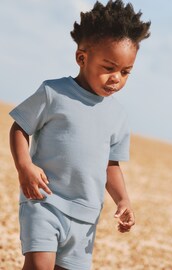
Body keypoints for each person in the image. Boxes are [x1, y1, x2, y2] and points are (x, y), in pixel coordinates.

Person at [9, 1, 150, 269]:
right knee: (39, 266)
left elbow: (111, 165)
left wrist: (123, 199)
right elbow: (19, 127)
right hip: (44, 201)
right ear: (82, 58)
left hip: (86, 217)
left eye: (125, 72)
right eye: (109, 67)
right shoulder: (54, 93)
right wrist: (24, 166)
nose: (117, 78)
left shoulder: (118, 116)